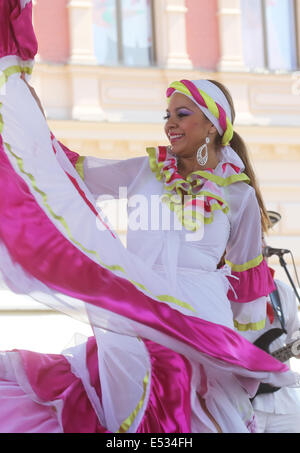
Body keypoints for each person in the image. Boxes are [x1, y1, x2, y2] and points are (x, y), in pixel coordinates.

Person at [0, 0, 299, 434]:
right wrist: (24, 115)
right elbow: (75, 170)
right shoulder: (146, 170)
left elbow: (250, 284)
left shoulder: (239, 197)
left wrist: (250, 357)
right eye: (167, 116)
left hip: (202, 324)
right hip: (140, 311)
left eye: (182, 114)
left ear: (213, 125)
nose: (170, 124)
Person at [241, 212, 300, 433]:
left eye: (262, 237)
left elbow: (294, 335)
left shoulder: (282, 290)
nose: (262, 243)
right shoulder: (226, 287)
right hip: (243, 403)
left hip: (284, 404)